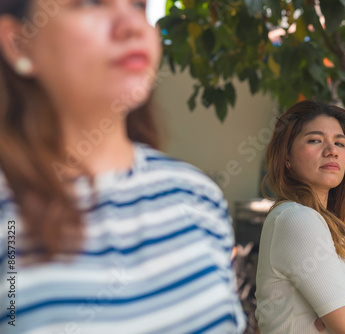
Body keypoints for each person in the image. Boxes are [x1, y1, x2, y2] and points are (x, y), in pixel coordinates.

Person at [0, 0, 245, 333]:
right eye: (90, 3)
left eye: (139, 5)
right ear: (18, 42)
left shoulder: (200, 199)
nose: (132, 26)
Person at [255, 100, 345, 334]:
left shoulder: (342, 229)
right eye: (315, 140)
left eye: (340, 143)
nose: (332, 150)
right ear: (286, 158)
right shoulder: (296, 219)